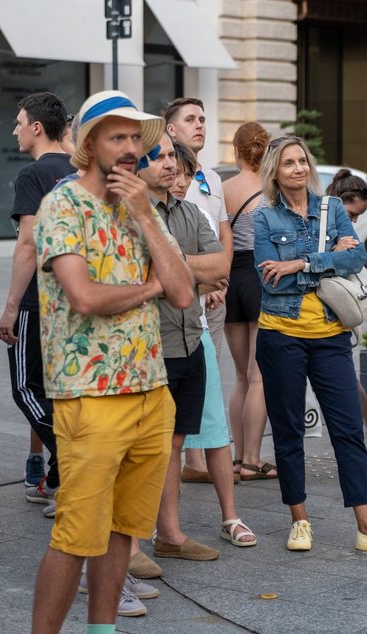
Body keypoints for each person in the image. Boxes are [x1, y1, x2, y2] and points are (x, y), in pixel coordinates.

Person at [30, 90, 194, 632]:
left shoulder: (139, 204)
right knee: (76, 536)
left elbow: (185, 293)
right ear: (89, 144)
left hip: (151, 389)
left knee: (125, 529)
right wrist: (150, 287)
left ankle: (103, 629)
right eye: (116, 137)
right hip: (89, 394)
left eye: (134, 139)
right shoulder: (62, 204)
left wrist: (147, 218)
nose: (129, 149)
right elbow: (85, 297)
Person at [254, 134, 367, 553]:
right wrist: (326, 257)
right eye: (288, 163)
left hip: (330, 336)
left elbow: (357, 259)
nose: (298, 169)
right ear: (275, 170)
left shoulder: (329, 209)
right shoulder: (264, 218)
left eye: (302, 161)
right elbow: (269, 280)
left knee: (348, 429)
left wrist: (301, 261)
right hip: (281, 335)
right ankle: (300, 521)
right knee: (289, 430)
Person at [138, 133, 256, 564]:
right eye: (159, 157)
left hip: (190, 338)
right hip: (148, 346)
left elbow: (222, 266)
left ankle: (169, 534)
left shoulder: (188, 211)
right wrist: (189, 271)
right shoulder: (127, 216)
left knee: (174, 442)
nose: (170, 164)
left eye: (173, 156)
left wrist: (173, 267)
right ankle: (128, 545)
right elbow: (140, 276)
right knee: (140, 448)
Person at [0, 92, 76, 513]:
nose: (15, 130)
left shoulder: (33, 174)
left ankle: (74, 460)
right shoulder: (79, 169)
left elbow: (27, 243)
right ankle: (64, 474)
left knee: (27, 388)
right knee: (60, 390)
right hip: (71, 300)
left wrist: (10, 308)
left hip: (37, 300)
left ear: (37, 128)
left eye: (19, 122)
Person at [163, 98, 244, 479]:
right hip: (182, 299)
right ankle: (184, 461)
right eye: (191, 119)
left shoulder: (210, 178)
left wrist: (219, 278)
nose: (200, 125)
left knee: (206, 377)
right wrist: (203, 276)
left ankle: (195, 460)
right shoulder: (165, 176)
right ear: (171, 128)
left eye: (203, 119)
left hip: (215, 292)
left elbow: (222, 232)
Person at [219, 122, 280, 476]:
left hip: (231, 277)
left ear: (235, 151)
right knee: (260, 376)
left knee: (241, 376)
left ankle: (238, 456)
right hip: (262, 275)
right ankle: (253, 460)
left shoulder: (223, 189)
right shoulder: (272, 190)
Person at [325, 168, 367, 454]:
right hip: (316, 305)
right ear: (339, 201)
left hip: (339, 306)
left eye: (358, 216)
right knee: (343, 373)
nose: (354, 222)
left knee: (345, 372)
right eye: (352, 214)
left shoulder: (341, 227)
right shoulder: (321, 219)